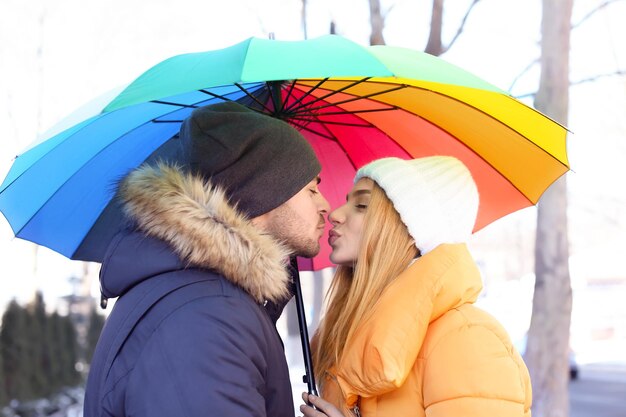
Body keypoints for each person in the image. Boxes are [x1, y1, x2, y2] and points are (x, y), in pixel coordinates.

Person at [84, 101, 330, 417]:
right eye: (311, 190)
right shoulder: (208, 315)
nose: (326, 206)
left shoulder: (206, 300)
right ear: (263, 196)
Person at [300, 156, 532, 417]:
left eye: (362, 205)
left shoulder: (465, 337)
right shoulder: (352, 336)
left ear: (411, 231)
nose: (335, 214)